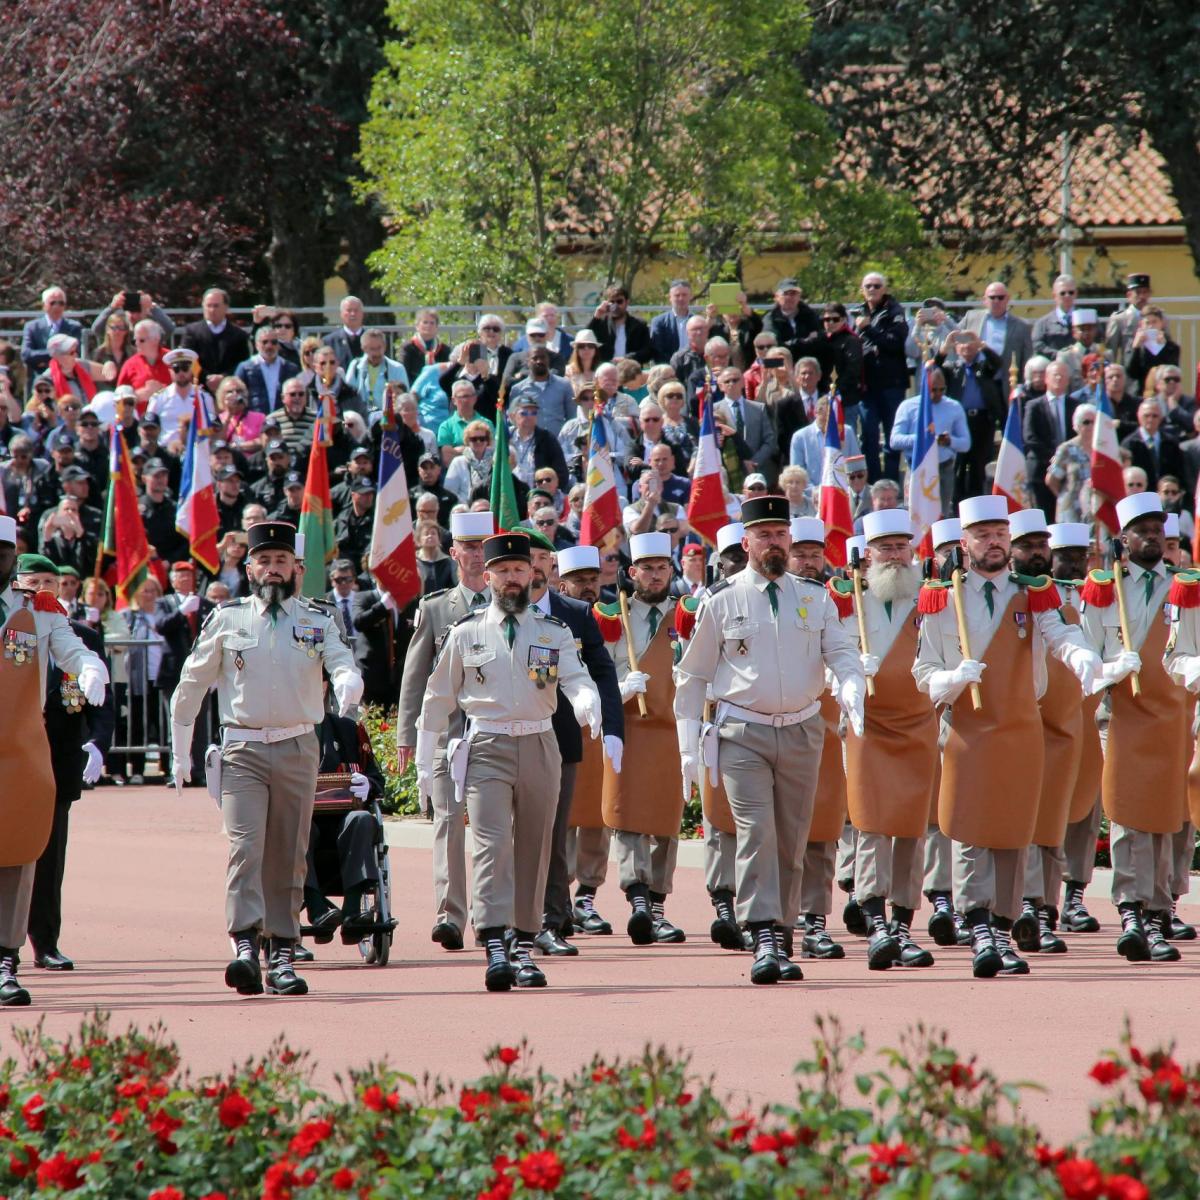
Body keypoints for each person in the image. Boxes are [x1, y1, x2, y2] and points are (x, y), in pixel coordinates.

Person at [913, 495, 1126, 979]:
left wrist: (1083, 658)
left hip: (1020, 729)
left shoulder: (1034, 592)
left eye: (1000, 535)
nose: (993, 543)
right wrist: (950, 680)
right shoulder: (943, 598)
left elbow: (1059, 635)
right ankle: (980, 927)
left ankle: (1005, 924)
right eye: (983, 535)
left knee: (1013, 832)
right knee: (970, 829)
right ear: (964, 542)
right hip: (968, 729)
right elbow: (923, 669)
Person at [674, 496, 865, 984]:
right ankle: (761, 933)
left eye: (781, 534)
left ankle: (782, 932)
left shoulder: (814, 595)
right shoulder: (722, 599)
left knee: (791, 835)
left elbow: (841, 651)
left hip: (802, 730)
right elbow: (693, 676)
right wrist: (687, 745)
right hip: (743, 732)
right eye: (764, 535)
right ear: (746, 542)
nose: (775, 542)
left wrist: (851, 685)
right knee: (756, 829)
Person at [169, 520, 363, 998]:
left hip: (298, 746)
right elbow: (191, 685)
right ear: (248, 567)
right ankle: (244, 945)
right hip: (244, 749)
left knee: (289, 853)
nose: (272, 570)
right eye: (264, 561)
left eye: (281, 562)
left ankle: (281, 950)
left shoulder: (317, 619)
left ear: (296, 568)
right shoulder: (227, 618)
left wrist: (348, 685)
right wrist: (179, 752)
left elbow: (340, 661)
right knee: (245, 847)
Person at [416, 530, 601, 992]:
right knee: (491, 844)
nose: (514, 578)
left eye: (521, 570)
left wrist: (586, 701)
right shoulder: (466, 633)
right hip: (487, 746)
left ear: (532, 574)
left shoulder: (551, 631)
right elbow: (438, 697)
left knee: (535, 848)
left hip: (539, 744)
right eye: (504, 571)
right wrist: (423, 760)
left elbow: (576, 677)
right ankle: (495, 941)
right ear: (489, 575)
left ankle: (523, 941)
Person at [0, 518, 108, 1007]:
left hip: (23, 750)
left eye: (2, 554)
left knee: (21, 854)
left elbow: (72, 650)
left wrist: (91, 668)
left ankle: (6, 958)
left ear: (13, 560)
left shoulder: (38, 612)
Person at [1085, 494, 1188, 963]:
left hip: (1172, 717)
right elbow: (1086, 651)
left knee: (1166, 819)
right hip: (1125, 716)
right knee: (1128, 814)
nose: (1151, 534)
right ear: (1123, 539)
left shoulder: (1187, 588)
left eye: (1157, 527)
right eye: (1141, 528)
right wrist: (1108, 669)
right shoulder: (1106, 589)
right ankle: (1131, 911)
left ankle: (1158, 910)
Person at [839, 510, 939, 970]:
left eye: (902, 546)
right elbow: (824, 656)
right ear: (867, 556)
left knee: (911, 831)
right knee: (872, 824)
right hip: (868, 726)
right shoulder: (843, 602)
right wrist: (846, 676)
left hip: (918, 724)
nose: (895, 555)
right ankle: (876, 920)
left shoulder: (934, 600)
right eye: (886, 547)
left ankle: (903, 923)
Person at [396, 512, 493, 951]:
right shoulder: (436, 608)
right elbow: (415, 678)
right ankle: (450, 915)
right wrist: (409, 735)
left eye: (482, 546)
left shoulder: (511, 605)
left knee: (497, 829)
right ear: (453, 553)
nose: (475, 555)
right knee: (449, 824)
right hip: (450, 735)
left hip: (496, 735)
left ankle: (493, 913)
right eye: (468, 547)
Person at [526, 537, 623, 957]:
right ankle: (501, 917)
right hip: (503, 736)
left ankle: (550, 919)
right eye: (522, 562)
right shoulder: (486, 616)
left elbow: (600, 673)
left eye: (539, 559)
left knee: (555, 830)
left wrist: (612, 726)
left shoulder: (577, 615)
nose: (531, 569)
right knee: (510, 834)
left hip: (563, 737)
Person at [593, 533, 691, 946]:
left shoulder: (688, 615)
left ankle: (657, 904)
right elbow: (595, 672)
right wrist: (621, 688)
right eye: (646, 568)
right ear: (632, 573)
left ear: (671, 570)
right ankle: (637, 900)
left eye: (662, 568)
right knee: (629, 817)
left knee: (666, 822)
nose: (655, 576)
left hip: (671, 729)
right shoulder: (614, 617)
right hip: (630, 727)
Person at [302, 679, 387, 945]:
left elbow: (376, 779)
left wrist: (367, 784)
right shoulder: (284, 734)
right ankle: (317, 908)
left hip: (343, 823)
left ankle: (352, 912)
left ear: (324, 686)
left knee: (362, 820)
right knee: (292, 830)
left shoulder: (347, 730)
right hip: (304, 823)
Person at [154, 561, 216, 785]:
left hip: (200, 671)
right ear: (172, 580)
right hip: (173, 671)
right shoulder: (165, 603)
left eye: (188, 577)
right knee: (175, 721)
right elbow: (160, 626)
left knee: (199, 724)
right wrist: (181, 612)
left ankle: (198, 771)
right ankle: (177, 771)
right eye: (179, 577)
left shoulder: (207, 605)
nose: (184, 580)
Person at [855, 273, 909, 482]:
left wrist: (868, 329)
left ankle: (891, 483)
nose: (873, 289)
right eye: (868, 286)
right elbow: (857, 344)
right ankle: (873, 485)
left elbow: (894, 343)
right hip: (867, 386)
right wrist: (873, 343)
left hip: (892, 385)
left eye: (877, 286)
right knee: (868, 436)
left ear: (884, 289)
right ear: (862, 289)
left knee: (892, 437)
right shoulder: (858, 312)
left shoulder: (895, 311)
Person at [958, 281, 1034, 387]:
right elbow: (955, 337)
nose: (996, 301)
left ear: (1007, 299)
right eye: (992, 297)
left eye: (1000, 297)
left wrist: (1023, 385)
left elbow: (1027, 358)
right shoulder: (971, 318)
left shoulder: (1021, 326)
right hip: (975, 380)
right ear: (984, 300)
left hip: (1005, 384)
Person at [179, 288, 252, 392]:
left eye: (216, 306)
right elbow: (188, 359)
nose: (212, 310)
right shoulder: (192, 332)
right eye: (209, 305)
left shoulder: (239, 335)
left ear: (226, 307)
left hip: (229, 391)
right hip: (199, 389)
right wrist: (205, 377)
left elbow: (242, 363)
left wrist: (223, 378)